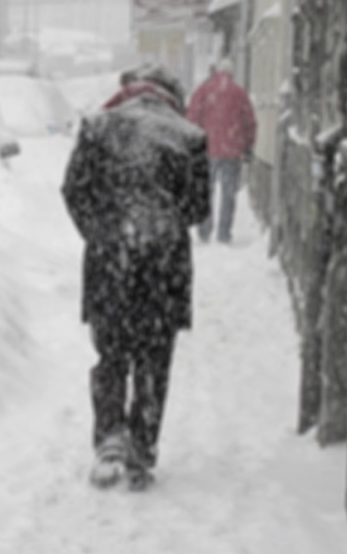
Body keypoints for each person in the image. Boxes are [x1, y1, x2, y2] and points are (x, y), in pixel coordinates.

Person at [61, 64, 210, 490]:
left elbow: (74, 191)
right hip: (165, 267)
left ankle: (109, 438)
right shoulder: (188, 136)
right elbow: (199, 208)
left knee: (111, 355)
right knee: (153, 359)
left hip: (111, 263)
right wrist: (163, 224)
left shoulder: (97, 127)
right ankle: (141, 448)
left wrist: (102, 231)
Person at [186, 59, 256, 244]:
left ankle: (204, 229)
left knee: (205, 191)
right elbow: (249, 121)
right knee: (228, 192)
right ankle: (224, 232)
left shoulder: (204, 90)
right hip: (232, 150)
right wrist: (248, 146)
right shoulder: (239, 93)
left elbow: (193, 116)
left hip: (207, 149)